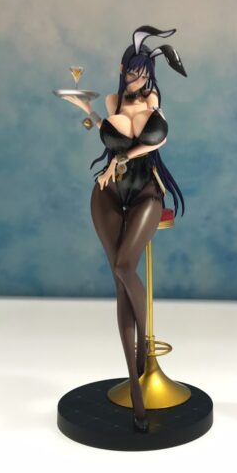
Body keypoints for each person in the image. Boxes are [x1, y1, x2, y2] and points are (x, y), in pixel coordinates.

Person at [63, 26, 186, 432]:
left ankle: (143, 345)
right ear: (122, 70)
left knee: (123, 267)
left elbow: (154, 144)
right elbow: (109, 135)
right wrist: (88, 110)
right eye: (133, 71)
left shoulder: (153, 102)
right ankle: (135, 382)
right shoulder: (113, 100)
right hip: (109, 191)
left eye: (144, 72)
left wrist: (121, 159)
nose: (138, 79)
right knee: (119, 279)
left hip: (147, 191)